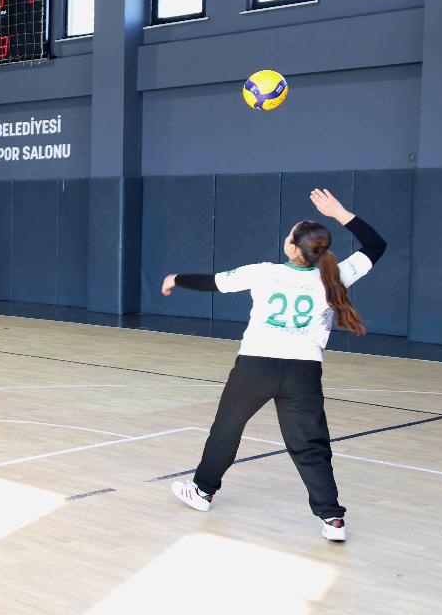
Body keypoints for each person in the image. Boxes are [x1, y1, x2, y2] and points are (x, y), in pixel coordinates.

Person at [162, 188, 386, 543]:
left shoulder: (263, 272)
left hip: (255, 366)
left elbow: (212, 283)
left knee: (227, 428)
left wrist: (175, 279)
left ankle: (202, 491)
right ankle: (332, 519)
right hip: (304, 372)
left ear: (293, 247)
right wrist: (340, 212)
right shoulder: (336, 275)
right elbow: (375, 244)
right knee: (310, 445)